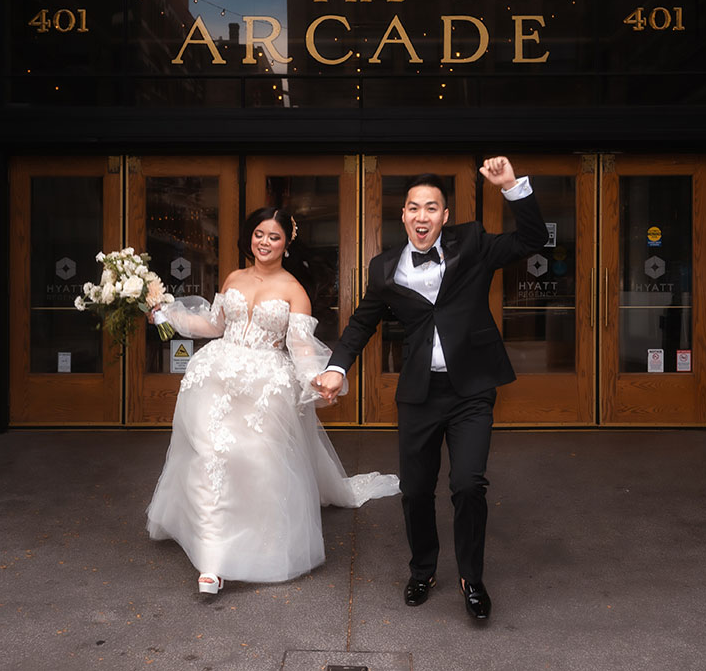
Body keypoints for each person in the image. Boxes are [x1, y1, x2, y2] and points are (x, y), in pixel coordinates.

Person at [313, 157, 546, 620]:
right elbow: (360, 324)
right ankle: (423, 569)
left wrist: (511, 187)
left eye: (432, 208)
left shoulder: (474, 243)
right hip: (419, 393)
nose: (422, 216)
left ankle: (471, 579)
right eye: (414, 208)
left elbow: (531, 241)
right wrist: (337, 367)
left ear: (444, 215)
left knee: (468, 485)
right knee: (416, 491)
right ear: (403, 215)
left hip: (471, 390)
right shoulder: (384, 269)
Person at [146, 206, 399, 595]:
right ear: (250, 237)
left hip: (263, 387)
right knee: (209, 458)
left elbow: (299, 348)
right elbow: (213, 325)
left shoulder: (294, 290)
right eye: (259, 234)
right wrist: (167, 313)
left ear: (286, 243)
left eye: (274, 237)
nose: (264, 242)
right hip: (214, 378)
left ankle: (254, 541)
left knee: (254, 464)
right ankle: (212, 561)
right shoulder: (233, 277)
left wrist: (319, 379)